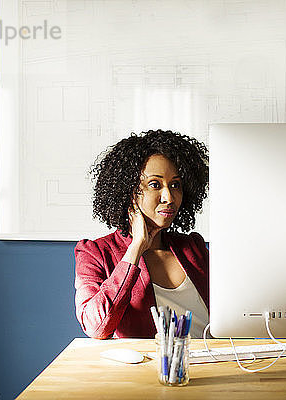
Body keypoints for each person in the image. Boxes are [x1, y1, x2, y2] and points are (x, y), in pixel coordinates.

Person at [74, 130, 209, 339]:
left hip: (215, 361)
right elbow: (96, 327)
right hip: (149, 368)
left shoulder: (193, 247)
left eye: (176, 185)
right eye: (155, 184)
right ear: (129, 191)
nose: (169, 197)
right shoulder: (95, 253)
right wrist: (136, 248)